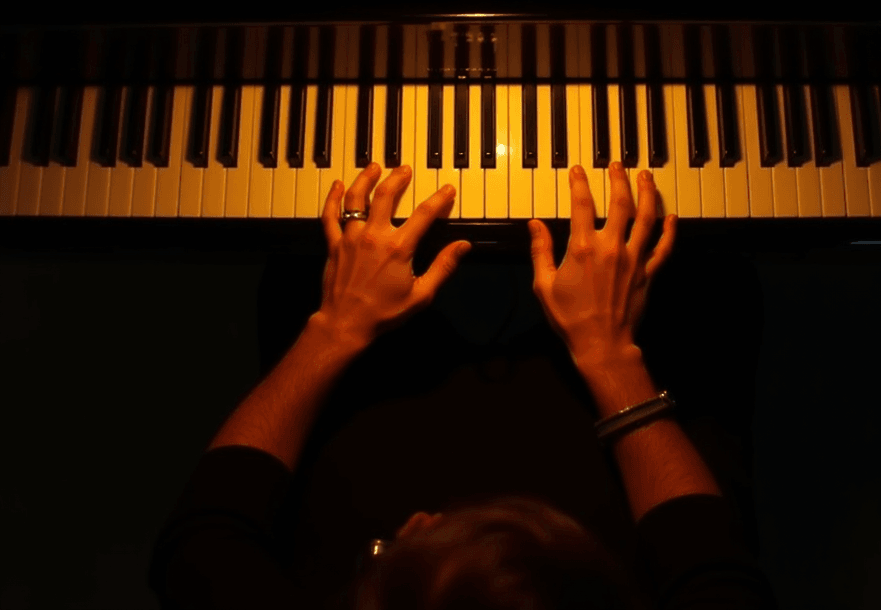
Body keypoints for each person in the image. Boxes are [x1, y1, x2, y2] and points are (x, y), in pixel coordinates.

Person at [148, 161, 778, 609]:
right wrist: (612, 354)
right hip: (604, 437)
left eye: (401, 556)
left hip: (381, 438)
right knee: (705, 287)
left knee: (298, 276)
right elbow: (715, 570)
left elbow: (202, 538)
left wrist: (334, 325)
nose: (427, 519)